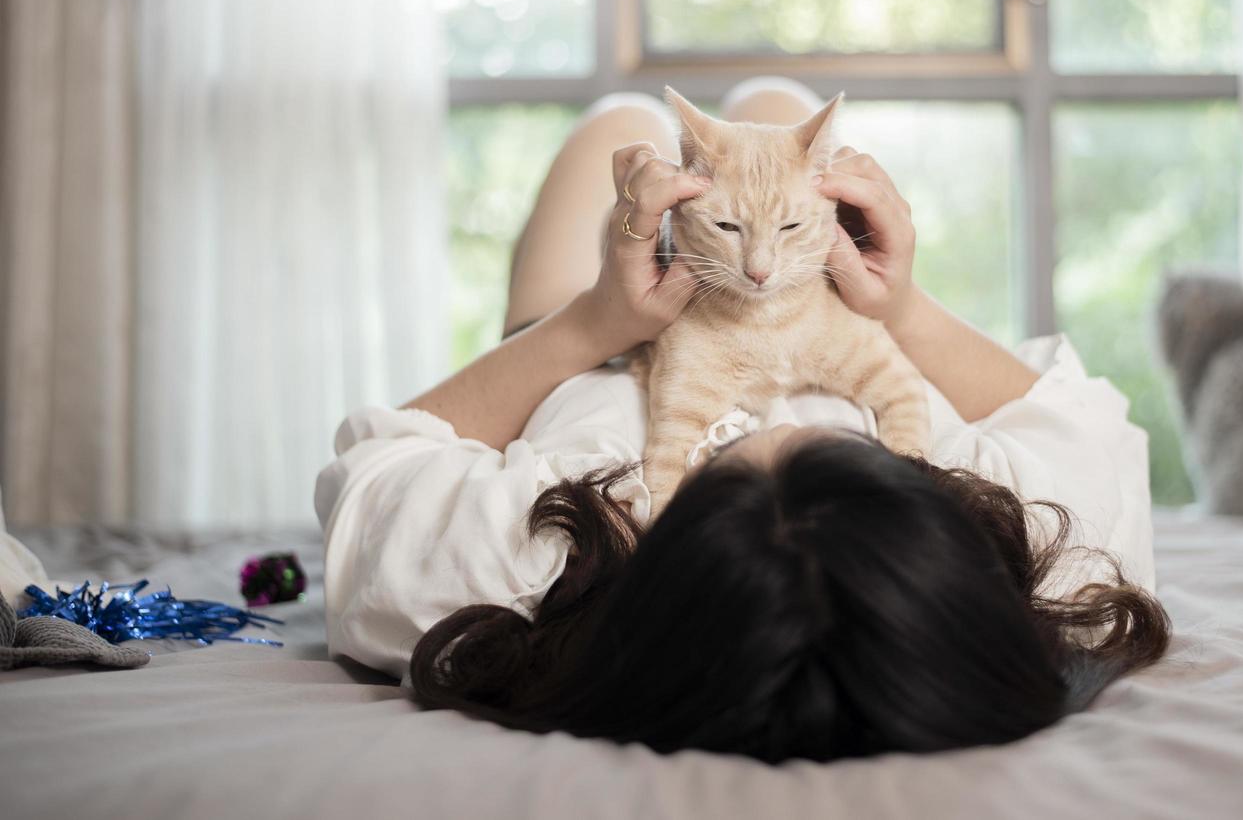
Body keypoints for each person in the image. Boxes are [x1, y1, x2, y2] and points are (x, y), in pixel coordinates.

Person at [314, 78, 1169, 764]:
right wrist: (900, 306)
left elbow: (378, 461)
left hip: (590, 353)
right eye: (840, 464)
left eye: (735, 482)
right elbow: (1082, 423)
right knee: (778, 107)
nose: (774, 432)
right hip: (807, 295)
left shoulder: (529, 562)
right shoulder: (1048, 558)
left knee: (619, 118)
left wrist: (591, 324)